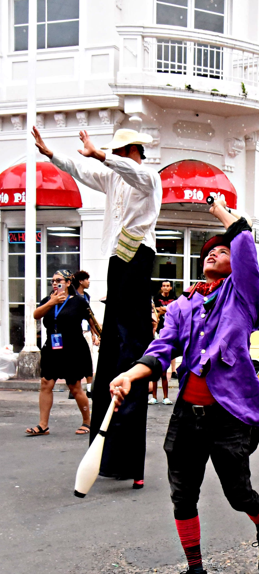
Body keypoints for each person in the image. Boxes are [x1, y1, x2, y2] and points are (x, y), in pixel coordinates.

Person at [109, 197, 259, 574]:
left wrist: (220, 212)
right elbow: (161, 349)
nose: (213, 254)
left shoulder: (243, 296)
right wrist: (130, 375)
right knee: (183, 497)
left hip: (229, 417)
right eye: (209, 252)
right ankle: (195, 568)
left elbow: (245, 247)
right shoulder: (182, 306)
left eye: (223, 251)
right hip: (187, 418)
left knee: (239, 494)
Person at [33, 126, 162, 489]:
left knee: (132, 351)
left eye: (120, 151)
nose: (115, 156)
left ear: (133, 150)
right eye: (113, 151)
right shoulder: (112, 177)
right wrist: (52, 155)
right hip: (117, 261)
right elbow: (82, 170)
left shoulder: (149, 178)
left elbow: (130, 172)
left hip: (138, 257)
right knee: (111, 360)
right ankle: (109, 457)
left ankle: (132, 462)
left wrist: (101, 154)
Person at [25, 270, 92, 436]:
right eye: (53, 281)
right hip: (52, 348)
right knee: (46, 383)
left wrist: (99, 337)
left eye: (59, 280)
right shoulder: (48, 300)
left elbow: (92, 320)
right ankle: (43, 425)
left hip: (72, 348)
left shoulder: (78, 301)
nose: (55, 284)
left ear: (68, 283)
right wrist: (51, 302)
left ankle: (87, 421)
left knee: (74, 386)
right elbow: (36, 315)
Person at [150, 280, 178, 405]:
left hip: (168, 333)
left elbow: (175, 311)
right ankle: (154, 396)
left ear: (171, 287)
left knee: (164, 370)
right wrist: (164, 310)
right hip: (157, 333)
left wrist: (164, 310)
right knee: (154, 369)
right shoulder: (156, 298)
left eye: (168, 286)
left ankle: (166, 396)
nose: (166, 288)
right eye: (164, 286)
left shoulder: (174, 298)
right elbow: (155, 311)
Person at [72, 270, 99, 391]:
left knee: (88, 358)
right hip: (75, 330)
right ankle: (75, 386)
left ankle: (89, 387)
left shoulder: (86, 296)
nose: (89, 282)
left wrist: (94, 334)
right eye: (86, 279)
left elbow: (90, 316)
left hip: (86, 330)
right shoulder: (73, 295)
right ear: (80, 281)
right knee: (75, 360)